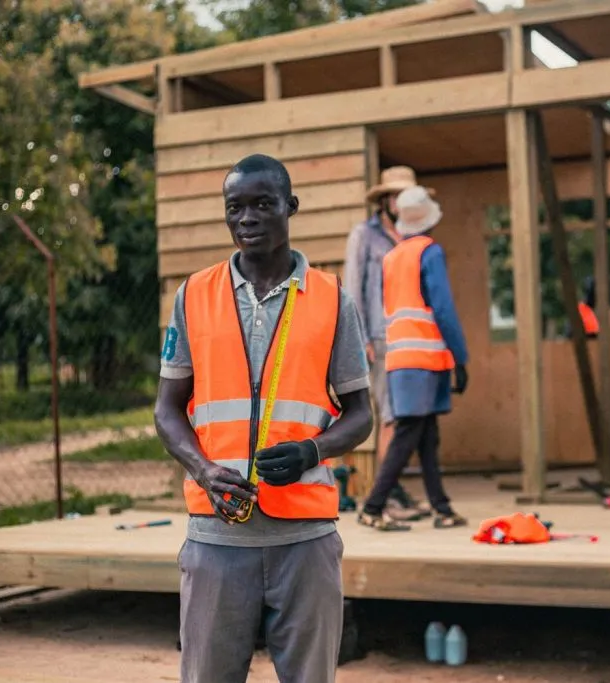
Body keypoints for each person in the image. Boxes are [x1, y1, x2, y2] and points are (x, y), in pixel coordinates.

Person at [154, 153, 373, 683]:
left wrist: (312, 450)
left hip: (305, 541)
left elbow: (362, 414)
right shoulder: (194, 294)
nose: (247, 218)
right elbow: (167, 410)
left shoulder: (330, 298)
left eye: (262, 204)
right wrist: (204, 472)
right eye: (235, 208)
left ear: (290, 207)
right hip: (216, 539)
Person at [357, 185, 469, 531]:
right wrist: (460, 357)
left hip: (400, 356)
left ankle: (442, 507)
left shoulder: (393, 256)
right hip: (426, 357)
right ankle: (373, 506)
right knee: (408, 433)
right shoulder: (430, 253)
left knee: (425, 433)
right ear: (431, 221)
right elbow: (444, 309)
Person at [343, 165, 433, 521]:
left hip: (411, 340)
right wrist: (360, 337)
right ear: (385, 199)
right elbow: (352, 288)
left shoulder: (414, 236)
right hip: (379, 338)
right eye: (396, 195)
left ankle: (392, 489)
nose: (401, 201)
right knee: (392, 417)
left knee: (409, 417)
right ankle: (385, 497)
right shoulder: (364, 235)